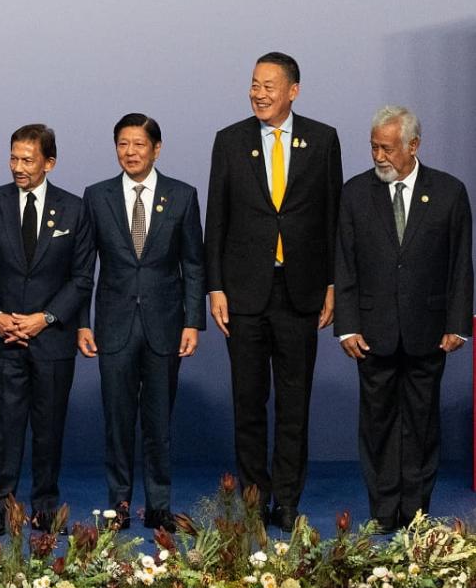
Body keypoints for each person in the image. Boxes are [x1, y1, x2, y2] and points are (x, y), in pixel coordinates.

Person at [205, 52, 341, 529]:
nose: (258, 93)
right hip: (243, 293)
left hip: (300, 291)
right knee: (248, 401)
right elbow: (216, 218)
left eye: (269, 86)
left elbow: (332, 218)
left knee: (293, 401)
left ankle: (286, 498)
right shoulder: (230, 140)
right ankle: (253, 497)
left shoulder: (323, 140)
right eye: (254, 84)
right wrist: (215, 286)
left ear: (293, 91)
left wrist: (331, 283)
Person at [335, 106, 471, 530]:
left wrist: (458, 323)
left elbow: (460, 264)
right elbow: (345, 263)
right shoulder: (355, 192)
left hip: (428, 331)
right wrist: (347, 324)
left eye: (387, 148)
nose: (379, 155)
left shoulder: (449, 192)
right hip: (372, 332)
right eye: (374, 146)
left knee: (421, 423)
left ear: (413, 146)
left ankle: (415, 510)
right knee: (376, 424)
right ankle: (382, 510)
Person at [0, 124, 94, 536]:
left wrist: (45, 318)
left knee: (49, 427)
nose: (18, 167)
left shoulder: (74, 208)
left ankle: (43, 507)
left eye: (28, 160)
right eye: (13, 158)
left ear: (49, 163)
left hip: (52, 339)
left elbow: (81, 278)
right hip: (4, 338)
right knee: (4, 428)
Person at [78, 114, 204, 531]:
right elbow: (83, 267)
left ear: (157, 148)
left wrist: (193, 322)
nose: (130, 152)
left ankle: (159, 505)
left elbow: (193, 263)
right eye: (122, 144)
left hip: (165, 323)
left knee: (158, 420)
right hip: (113, 324)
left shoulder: (182, 196)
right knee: (117, 420)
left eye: (138, 144)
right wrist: (82, 322)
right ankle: (119, 504)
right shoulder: (96, 197)